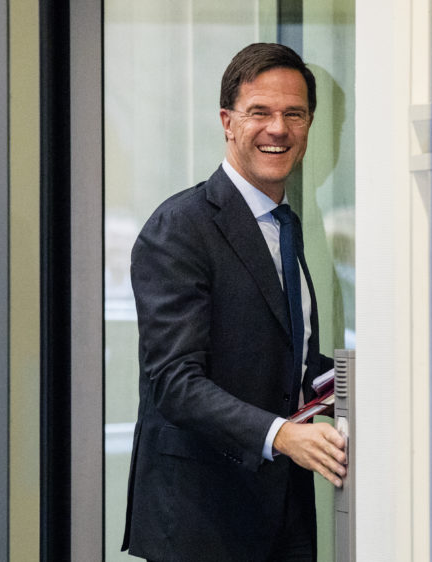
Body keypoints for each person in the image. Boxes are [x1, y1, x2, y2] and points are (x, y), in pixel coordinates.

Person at [121, 43, 347, 562]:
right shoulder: (180, 227)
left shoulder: (285, 225)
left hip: (284, 510)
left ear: (310, 125)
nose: (278, 129)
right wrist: (282, 435)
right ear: (227, 122)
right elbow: (175, 382)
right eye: (259, 112)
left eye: (294, 114)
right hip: (203, 522)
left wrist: (355, 383)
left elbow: (281, 357)